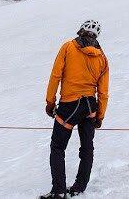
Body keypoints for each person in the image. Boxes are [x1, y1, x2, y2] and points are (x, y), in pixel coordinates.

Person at [40, 20, 109, 199]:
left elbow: (56, 75)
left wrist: (49, 102)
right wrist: (100, 115)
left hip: (70, 105)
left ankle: (59, 191)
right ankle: (79, 187)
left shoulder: (69, 47)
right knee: (87, 148)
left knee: (57, 147)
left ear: (80, 31)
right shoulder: (101, 57)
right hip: (90, 106)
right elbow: (103, 91)